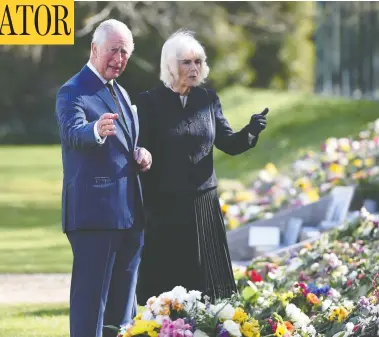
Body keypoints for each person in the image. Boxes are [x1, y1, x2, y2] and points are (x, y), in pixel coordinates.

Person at [136, 29, 268, 304]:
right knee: (167, 286)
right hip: (164, 207)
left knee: (207, 288)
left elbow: (229, 143)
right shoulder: (149, 102)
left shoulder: (208, 99)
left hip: (203, 204)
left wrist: (251, 131)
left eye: (198, 61)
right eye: (187, 62)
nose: (194, 68)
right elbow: (141, 149)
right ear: (171, 65)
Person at [55, 19, 152, 337]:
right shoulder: (72, 90)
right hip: (94, 215)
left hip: (128, 213)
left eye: (125, 52)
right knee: (90, 307)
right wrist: (95, 130)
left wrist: (140, 153)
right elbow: (74, 132)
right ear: (94, 48)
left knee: (123, 310)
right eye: (113, 50)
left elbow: (124, 144)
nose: (119, 58)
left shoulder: (120, 92)